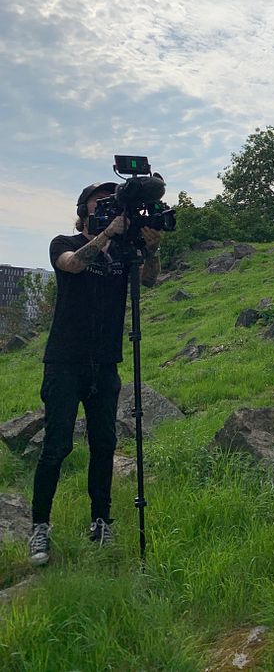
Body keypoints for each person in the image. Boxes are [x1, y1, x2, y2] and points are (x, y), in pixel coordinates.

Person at [28, 183, 162, 566]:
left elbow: (151, 280)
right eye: (98, 199)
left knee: (104, 443)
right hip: (65, 361)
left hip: (106, 362)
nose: (106, 202)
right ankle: (40, 526)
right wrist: (106, 234)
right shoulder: (63, 240)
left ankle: (101, 520)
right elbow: (71, 263)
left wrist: (151, 248)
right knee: (57, 445)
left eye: (111, 197)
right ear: (83, 208)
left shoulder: (125, 251)